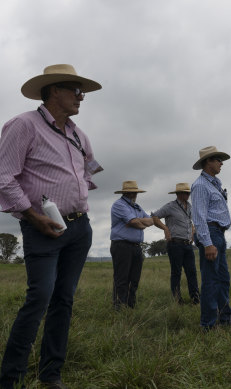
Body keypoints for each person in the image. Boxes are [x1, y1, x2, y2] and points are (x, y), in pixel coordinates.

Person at [0, 64, 102, 389]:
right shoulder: (23, 126)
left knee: (64, 299)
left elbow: (87, 171)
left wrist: (80, 198)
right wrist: (32, 215)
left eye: (81, 91)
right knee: (40, 297)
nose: (81, 97)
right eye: (75, 89)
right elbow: (4, 176)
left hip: (79, 229)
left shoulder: (77, 134)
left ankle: (51, 375)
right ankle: (10, 378)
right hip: (42, 228)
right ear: (53, 90)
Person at [191, 146, 231, 330]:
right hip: (211, 234)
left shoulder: (214, 184)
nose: (221, 163)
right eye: (217, 159)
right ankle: (208, 325)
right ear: (208, 162)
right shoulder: (201, 185)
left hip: (218, 235)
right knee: (210, 280)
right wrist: (207, 243)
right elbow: (199, 217)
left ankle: (226, 319)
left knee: (223, 279)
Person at [152, 183, 200, 304]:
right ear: (179, 194)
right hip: (175, 244)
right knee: (176, 272)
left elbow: (191, 221)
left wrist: (193, 230)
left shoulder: (190, 206)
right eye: (186, 193)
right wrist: (165, 228)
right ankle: (177, 300)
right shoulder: (170, 206)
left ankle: (195, 298)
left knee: (192, 272)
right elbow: (155, 216)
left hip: (188, 244)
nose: (188, 195)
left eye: (189, 192)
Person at [110, 180, 153, 309]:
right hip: (122, 245)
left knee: (134, 279)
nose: (135, 194)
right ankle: (119, 306)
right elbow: (135, 222)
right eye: (133, 192)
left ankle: (130, 305)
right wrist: (137, 222)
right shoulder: (119, 205)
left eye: (135, 192)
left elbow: (150, 221)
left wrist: (137, 222)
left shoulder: (137, 207)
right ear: (126, 192)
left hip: (136, 246)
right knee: (122, 278)